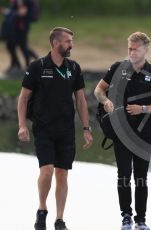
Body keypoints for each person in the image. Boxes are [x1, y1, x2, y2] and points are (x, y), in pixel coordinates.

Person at [17, 27, 93, 230]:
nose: (71, 45)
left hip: (66, 129)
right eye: (68, 41)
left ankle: (60, 219)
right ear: (55, 43)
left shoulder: (74, 67)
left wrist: (86, 128)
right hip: (43, 128)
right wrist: (22, 125)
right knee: (47, 170)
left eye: (71, 41)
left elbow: (81, 100)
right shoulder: (37, 67)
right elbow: (23, 98)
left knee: (62, 173)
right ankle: (42, 209)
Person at [94, 32, 151, 230]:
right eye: (129, 49)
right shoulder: (118, 67)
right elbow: (98, 91)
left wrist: (143, 109)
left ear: (145, 50)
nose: (132, 52)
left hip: (143, 132)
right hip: (120, 130)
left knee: (141, 176)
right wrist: (106, 101)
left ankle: (141, 219)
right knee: (124, 174)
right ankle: (126, 216)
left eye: (135, 49)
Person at [1, 0, 38, 72]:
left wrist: (12, 13)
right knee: (11, 45)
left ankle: (26, 65)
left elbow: (22, 13)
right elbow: (15, 11)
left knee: (22, 46)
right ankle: (16, 65)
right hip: (14, 27)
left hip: (21, 27)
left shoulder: (23, 2)